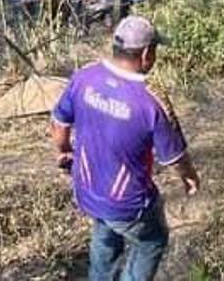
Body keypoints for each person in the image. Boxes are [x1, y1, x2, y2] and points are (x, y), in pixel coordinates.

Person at [50, 16, 200, 281]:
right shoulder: (151, 103)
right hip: (128, 203)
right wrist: (190, 179)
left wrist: (64, 151)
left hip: (86, 188)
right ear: (146, 54)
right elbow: (174, 157)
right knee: (152, 241)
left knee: (105, 230)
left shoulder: (84, 77)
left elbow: (59, 124)